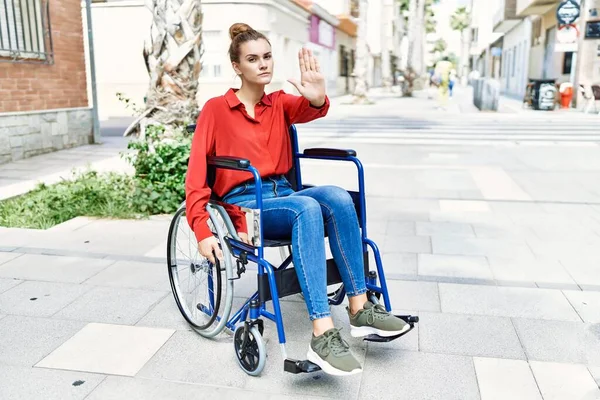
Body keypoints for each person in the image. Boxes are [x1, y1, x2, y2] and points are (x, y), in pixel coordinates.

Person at [185, 23, 410, 377]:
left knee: (336, 195)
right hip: (246, 201)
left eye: (268, 56)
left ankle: (359, 307)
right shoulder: (216, 109)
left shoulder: (278, 104)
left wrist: (318, 95)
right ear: (237, 66)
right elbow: (197, 173)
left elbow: (312, 108)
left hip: (284, 195)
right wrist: (201, 229)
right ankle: (321, 333)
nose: (263, 64)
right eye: (253, 58)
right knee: (305, 207)